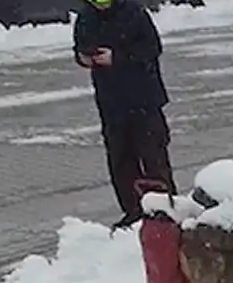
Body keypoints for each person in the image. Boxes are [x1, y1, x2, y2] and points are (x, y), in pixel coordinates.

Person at [73, 0, 173, 230]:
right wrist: (83, 58)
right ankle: (133, 211)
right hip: (111, 103)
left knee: (153, 157)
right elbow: (79, 47)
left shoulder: (134, 12)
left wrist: (117, 57)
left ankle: (164, 209)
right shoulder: (86, 17)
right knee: (120, 160)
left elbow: (152, 48)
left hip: (144, 100)